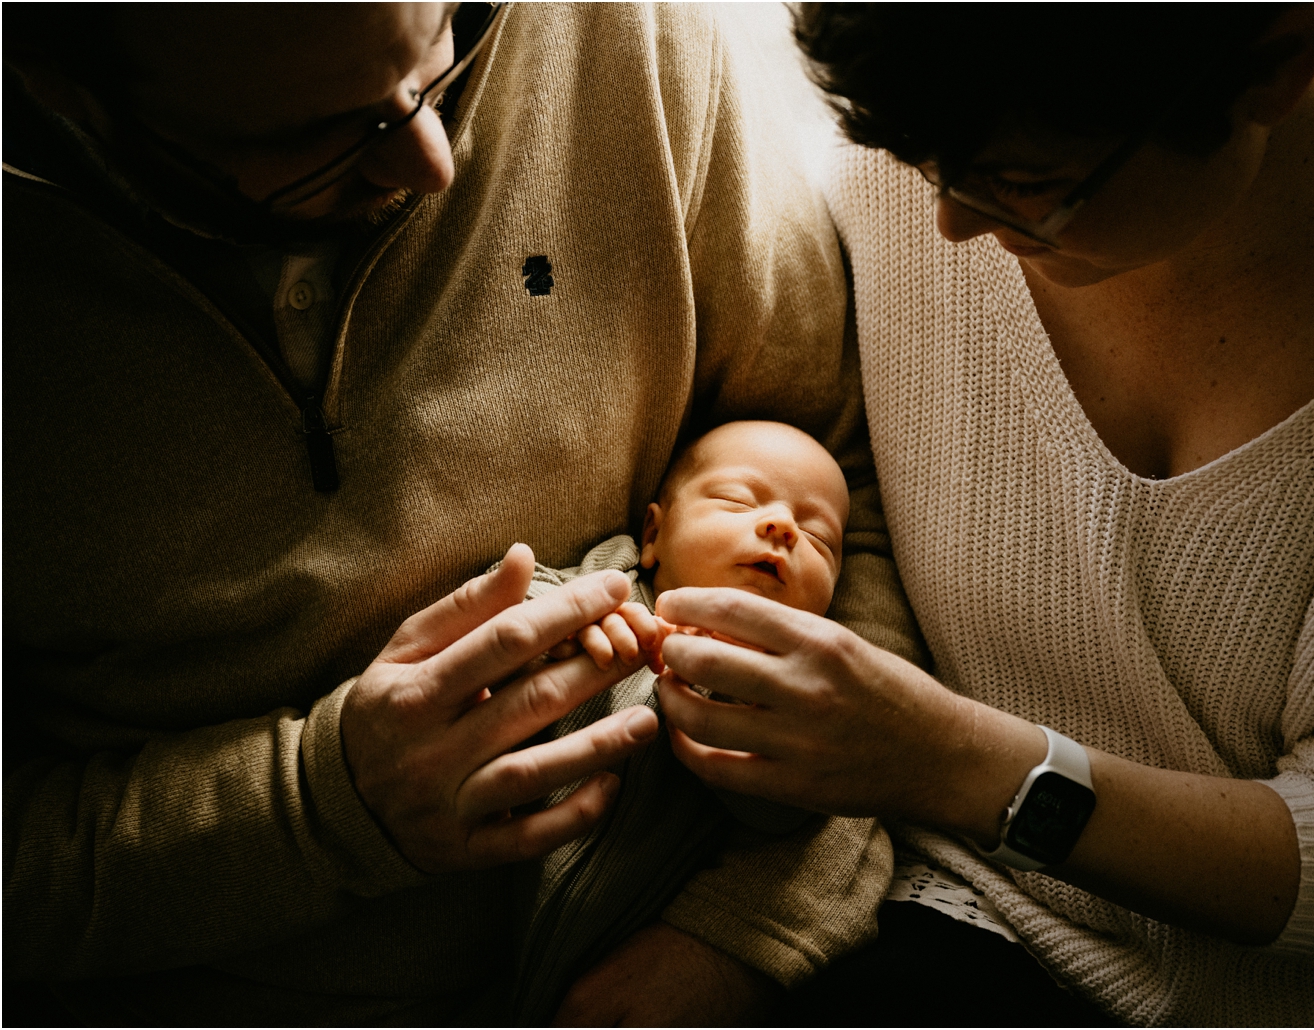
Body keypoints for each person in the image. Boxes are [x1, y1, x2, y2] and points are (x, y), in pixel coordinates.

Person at [2, 4, 925, 1024]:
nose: (432, 160)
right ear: (56, 91)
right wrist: (320, 808)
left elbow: (853, 483)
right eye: (316, 138)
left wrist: (746, 934)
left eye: (448, 43)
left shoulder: (625, 35)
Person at [654, 3, 1314, 1025]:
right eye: (915, 159)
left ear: (1276, 61)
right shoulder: (926, 145)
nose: (950, 223)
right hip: (945, 920)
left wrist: (948, 762)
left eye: (1029, 186)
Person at [528, 419, 849, 837]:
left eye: (817, 536)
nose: (784, 526)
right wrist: (564, 624)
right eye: (737, 500)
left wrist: (738, 691)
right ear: (653, 534)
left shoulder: (794, 692)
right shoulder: (606, 585)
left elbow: (787, 813)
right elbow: (508, 603)